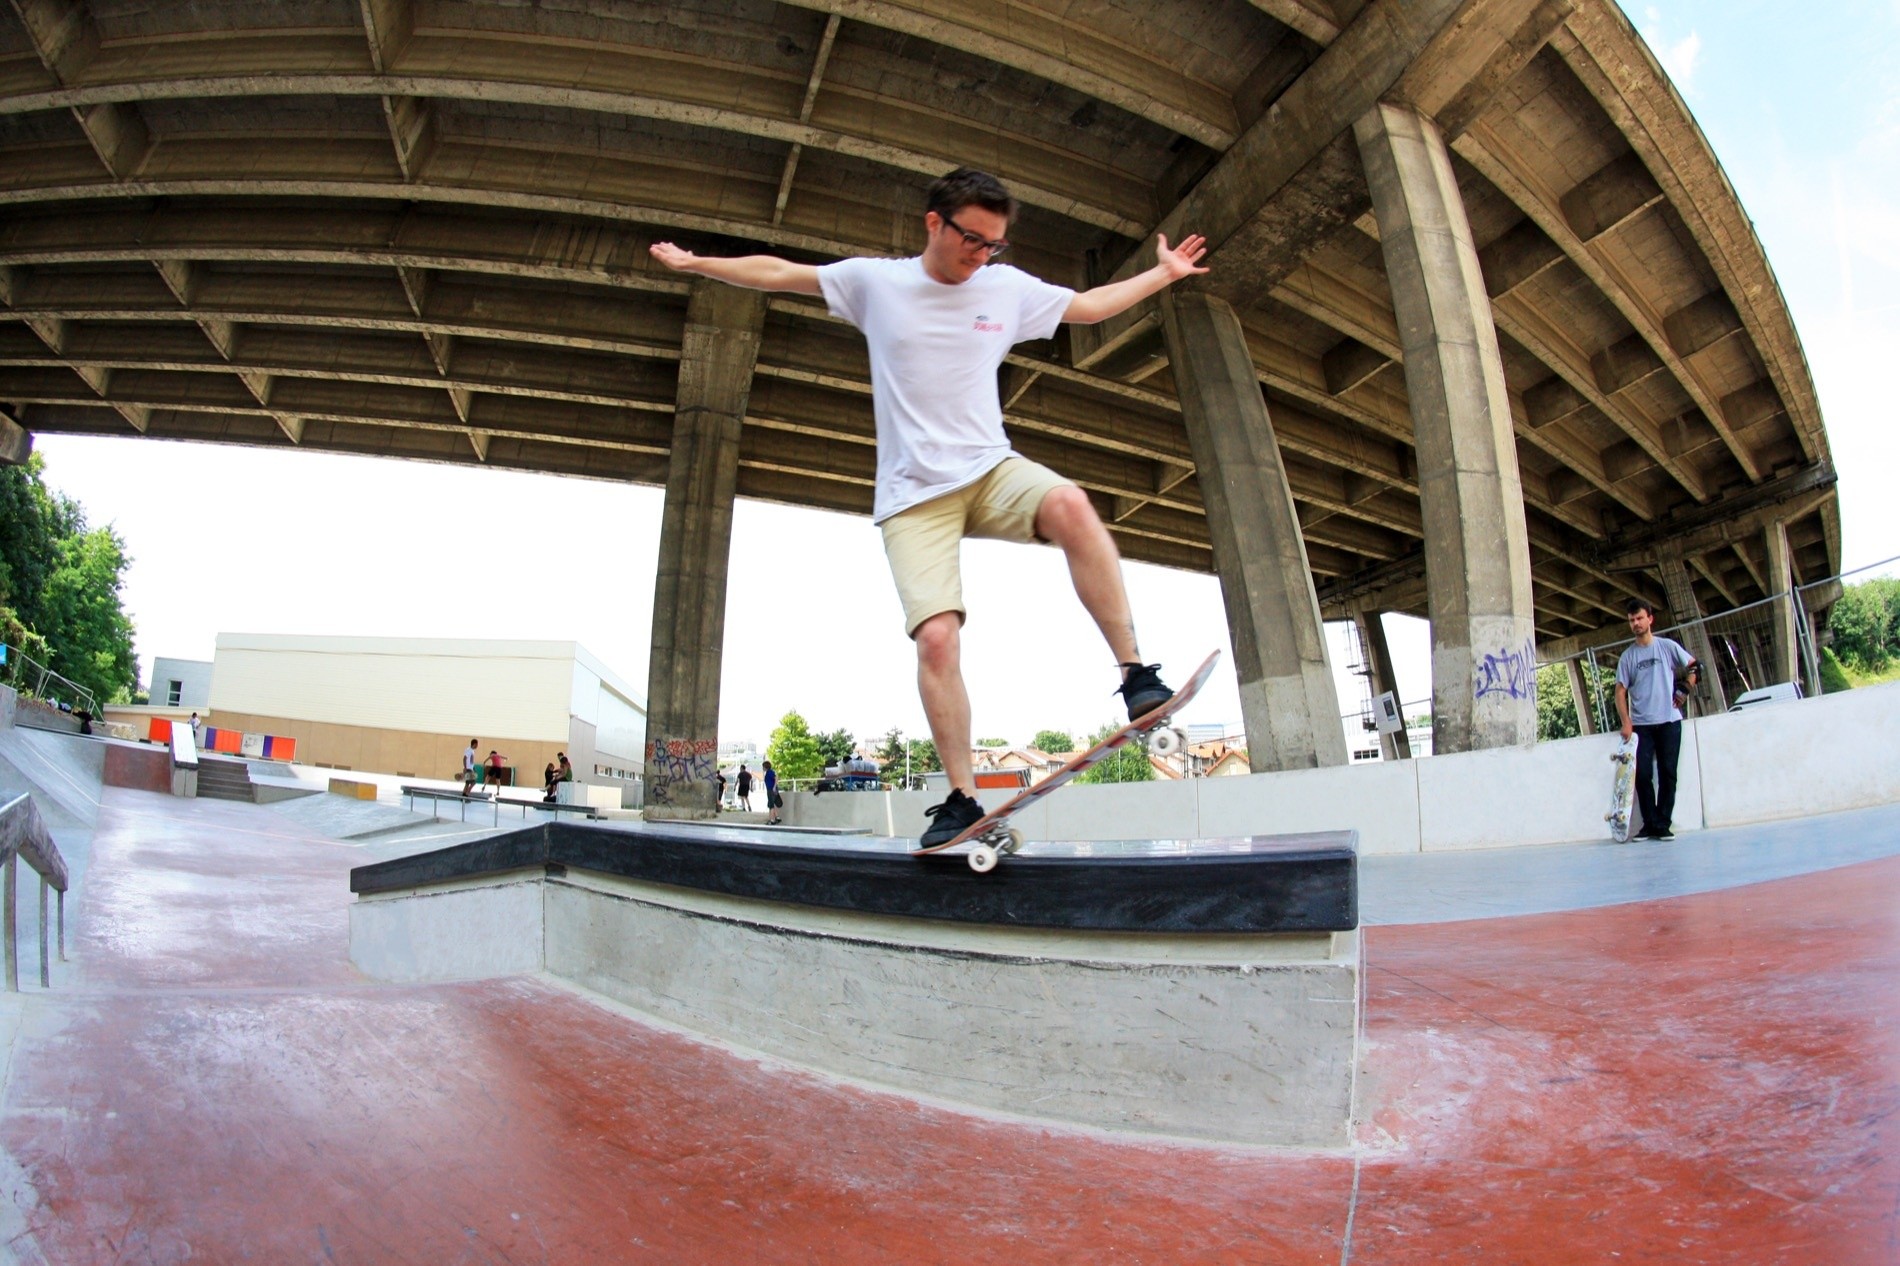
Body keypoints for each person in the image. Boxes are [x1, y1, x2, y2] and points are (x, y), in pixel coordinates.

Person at [650, 167, 1208, 848]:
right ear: (934, 223)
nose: (981, 256)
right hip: (913, 497)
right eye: (972, 240)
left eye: (994, 245)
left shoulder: (1006, 288)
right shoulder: (875, 283)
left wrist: (1166, 274)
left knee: (1070, 503)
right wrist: (694, 262)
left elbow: (1088, 307)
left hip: (988, 468)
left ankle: (1135, 676)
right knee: (937, 637)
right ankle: (962, 798)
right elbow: (778, 272)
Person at [1615, 599, 1699, 842]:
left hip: (1669, 721)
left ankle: (1663, 824)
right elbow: (1620, 691)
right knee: (1641, 775)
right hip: (1641, 725)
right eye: (1632, 620)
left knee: (1667, 772)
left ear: (1650, 619)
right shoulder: (1628, 657)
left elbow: (1695, 667)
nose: (1636, 624)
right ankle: (1649, 824)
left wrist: (1685, 688)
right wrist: (1626, 721)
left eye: (1640, 618)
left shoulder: (1667, 647)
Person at [762, 759, 781, 825]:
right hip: (770, 789)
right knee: (771, 804)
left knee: (771, 805)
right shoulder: (768, 772)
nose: (763, 768)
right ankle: (776, 817)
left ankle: (772, 820)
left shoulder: (770, 772)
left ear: (765, 767)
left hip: (771, 790)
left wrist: (774, 787)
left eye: (763, 767)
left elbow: (776, 778)